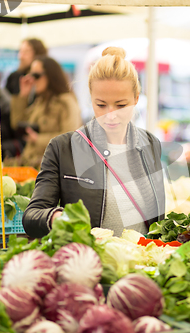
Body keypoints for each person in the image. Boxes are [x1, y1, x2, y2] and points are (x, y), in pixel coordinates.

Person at [22, 47, 165, 239]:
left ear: (136, 98)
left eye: (121, 105)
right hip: (90, 263)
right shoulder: (62, 148)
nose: (110, 115)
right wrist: (56, 217)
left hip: (142, 263)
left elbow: (156, 221)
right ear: (90, 98)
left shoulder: (150, 144)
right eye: (101, 104)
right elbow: (32, 216)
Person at [10, 56, 82, 168]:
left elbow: (70, 137)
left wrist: (38, 139)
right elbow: (17, 123)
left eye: (36, 76)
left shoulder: (66, 102)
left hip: (52, 169)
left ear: (50, 75)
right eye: (30, 75)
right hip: (31, 165)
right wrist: (23, 96)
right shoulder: (40, 101)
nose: (32, 80)